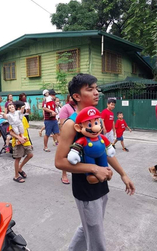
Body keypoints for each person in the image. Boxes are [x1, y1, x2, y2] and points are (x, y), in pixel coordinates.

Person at [55, 73, 135, 251]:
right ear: (77, 96)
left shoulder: (95, 120)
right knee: (96, 237)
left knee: (89, 228)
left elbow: (103, 150)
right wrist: (93, 168)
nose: (96, 92)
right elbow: (59, 162)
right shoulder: (71, 124)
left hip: (101, 182)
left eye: (96, 88)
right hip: (85, 189)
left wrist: (123, 174)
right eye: (89, 89)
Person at [9, 101, 33, 183]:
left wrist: (29, 141)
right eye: (23, 108)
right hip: (17, 142)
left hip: (25, 140)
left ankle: (20, 168)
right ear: (18, 109)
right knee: (18, 158)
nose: (25, 110)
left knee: (30, 155)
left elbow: (26, 130)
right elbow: (11, 132)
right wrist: (19, 138)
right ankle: (16, 176)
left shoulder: (24, 118)